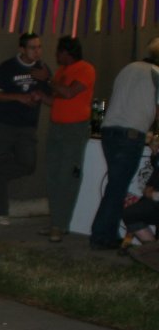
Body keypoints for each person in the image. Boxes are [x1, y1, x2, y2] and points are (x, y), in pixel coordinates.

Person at [89, 38, 159, 250]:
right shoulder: (156, 74)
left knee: (114, 185)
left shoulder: (129, 68)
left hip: (109, 131)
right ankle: (102, 235)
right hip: (130, 135)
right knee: (117, 189)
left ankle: (104, 233)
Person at [0, 32, 51, 225]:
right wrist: (18, 97)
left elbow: (53, 99)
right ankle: (2, 212)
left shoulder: (43, 70)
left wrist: (40, 94)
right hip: (3, 123)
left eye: (39, 47)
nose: (37, 51)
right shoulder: (8, 67)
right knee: (0, 160)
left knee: (27, 164)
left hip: (27, 126)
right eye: (32, 47)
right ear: (22, 49)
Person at [39, 36, 95, 243]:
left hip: (74, 129)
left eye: (58, 52)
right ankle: (55, 220)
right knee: (52, 174)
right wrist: (41, 96)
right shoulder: (62, 72)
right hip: (57, 127)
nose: (56, 56)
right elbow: (58, 100)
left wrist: (47, 79)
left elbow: (70, 92)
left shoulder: (85, 69)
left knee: (66, 176)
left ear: (67, 52)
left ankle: (60, 225)